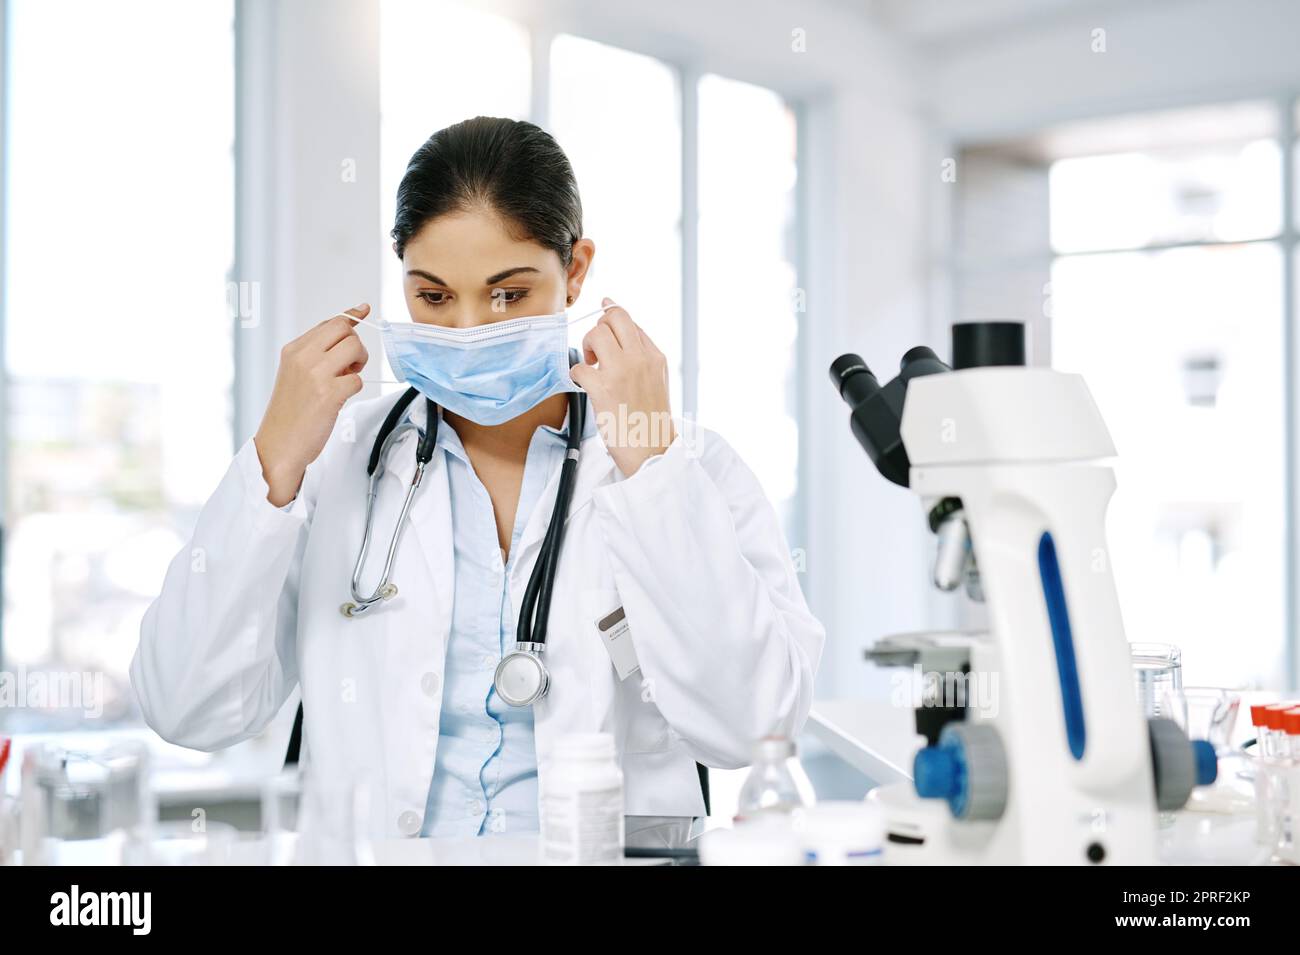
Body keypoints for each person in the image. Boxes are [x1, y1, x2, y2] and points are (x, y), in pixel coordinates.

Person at [131, 116, 824, 845]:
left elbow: (756, 725)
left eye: (507, 295)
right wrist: (270, 461)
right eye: (433, 297)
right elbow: (186, 706)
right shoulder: (335, 460)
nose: (467, 331)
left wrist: (651, 471)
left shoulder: (689, 470)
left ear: (576, 270)